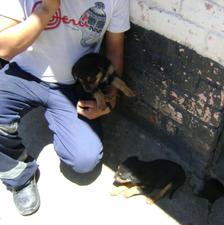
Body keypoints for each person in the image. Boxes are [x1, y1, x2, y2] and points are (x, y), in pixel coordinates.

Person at [0, 0, 130, 216]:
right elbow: (3, 47)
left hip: (73, 86)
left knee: (84, 160)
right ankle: (19, 177)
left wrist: (110, 96)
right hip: (24, 74)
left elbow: (115, 50)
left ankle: (61, 123)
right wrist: (47, 8)